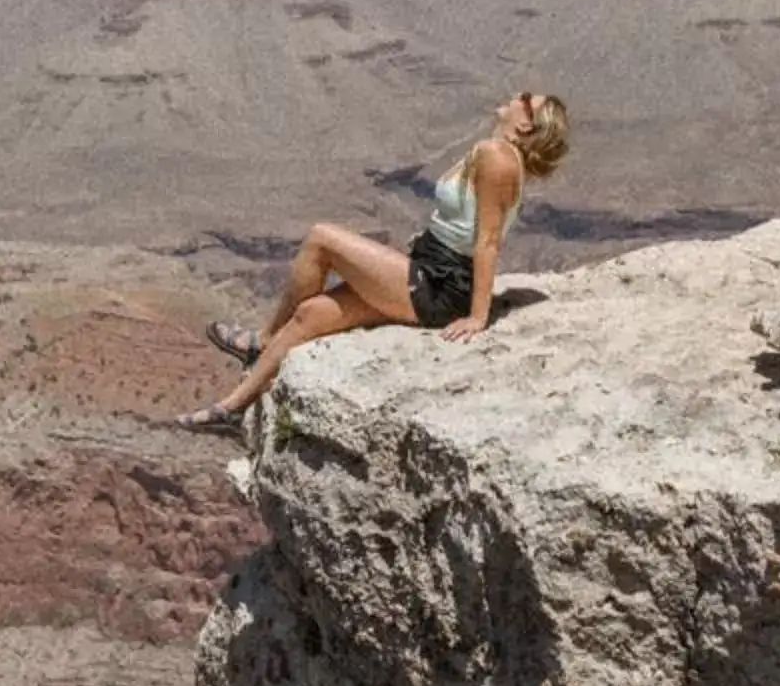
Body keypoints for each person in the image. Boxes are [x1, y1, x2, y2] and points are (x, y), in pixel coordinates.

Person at [179, 90, 569, 432]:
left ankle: (261, 341)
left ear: (526, 128)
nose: (518, 94)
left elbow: (487, 242)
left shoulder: (497, 157)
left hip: (439, 285)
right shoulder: (499, 155)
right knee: (311, 314)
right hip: (430, 270)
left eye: (525, 101)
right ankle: (233, 407)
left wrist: (478, 316)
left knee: (321, 239)